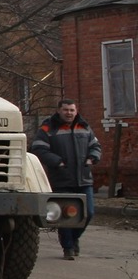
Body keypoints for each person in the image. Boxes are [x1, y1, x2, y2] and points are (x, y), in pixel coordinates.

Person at [32, 98, 101, 259]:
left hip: (84, 178)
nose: (69, 113)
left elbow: (95, 146)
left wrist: (92, 158)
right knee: (64, 217)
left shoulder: (84, 127)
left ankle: (75, 238)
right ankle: (68, 247)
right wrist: (57, 162)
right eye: (65, 110)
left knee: (88, 212)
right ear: (59, 111)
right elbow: (38, 148)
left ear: (76, 111)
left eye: (72, 110)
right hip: (62, 179)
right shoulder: (48, 128)